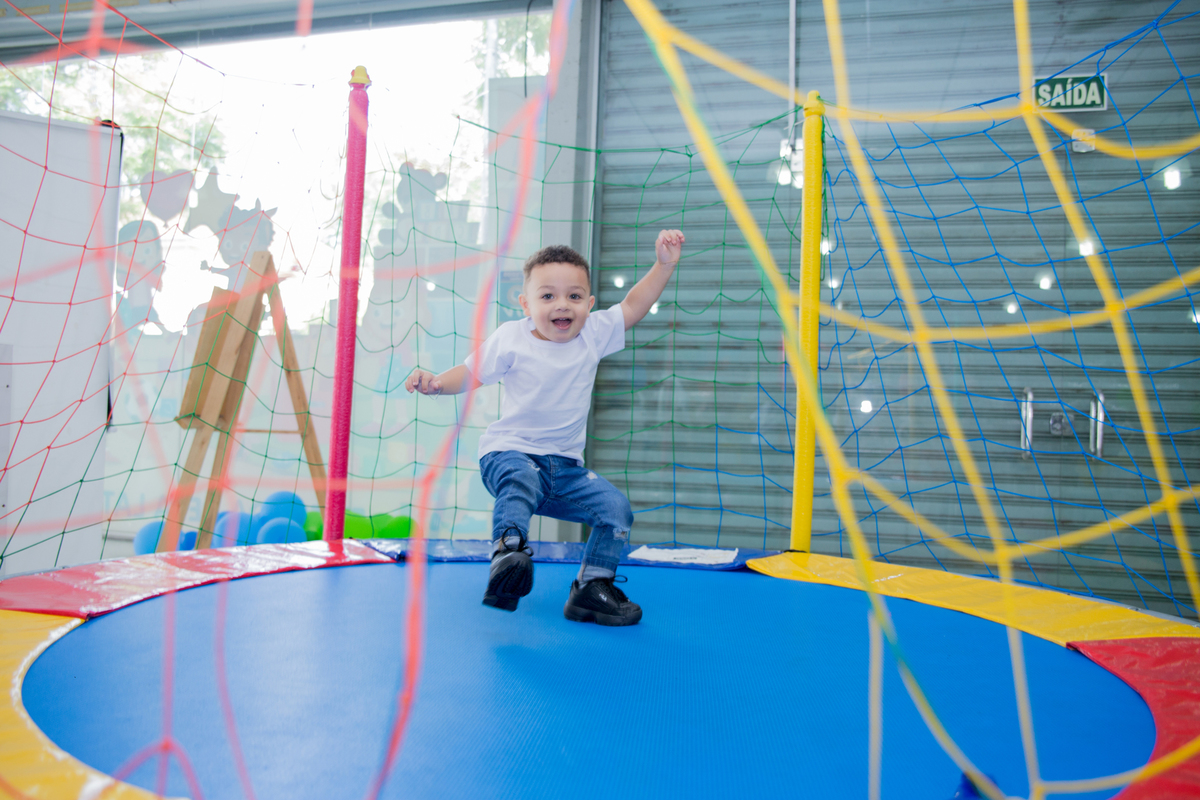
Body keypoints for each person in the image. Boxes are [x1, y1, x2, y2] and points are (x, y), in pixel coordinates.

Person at [405, 229, 685, 626]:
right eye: (548, 295)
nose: (562, 305)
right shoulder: (511, 338)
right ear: (526, 304)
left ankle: (591, 588)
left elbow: (634, 304)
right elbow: (470, 374)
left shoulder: (594, 333)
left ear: (589, 304)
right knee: (520, 480)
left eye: (574, 296)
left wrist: (664, 264)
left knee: (616, 511)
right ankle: (508, 554)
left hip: (564, 470)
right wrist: (435, 384)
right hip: (509, 454)